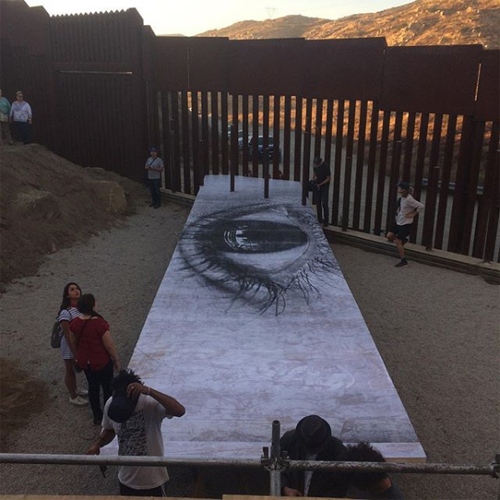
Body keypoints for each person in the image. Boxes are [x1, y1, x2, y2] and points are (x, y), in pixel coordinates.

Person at [86, 369, 185, 497]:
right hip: (125, 479)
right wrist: (98, 444)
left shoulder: (149, 404)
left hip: (152, 480)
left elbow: (180, 410)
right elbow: (109, 429)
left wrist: (149, 391)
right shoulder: (111, 404)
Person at [70, 294, 121, 424]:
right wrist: (116, 359)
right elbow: (109, 345)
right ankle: (109, 415)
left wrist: (78, 356)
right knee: (107, 388)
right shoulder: (100, 323)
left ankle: (97, 416)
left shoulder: (75, 323)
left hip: (86, 363)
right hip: (101, 361)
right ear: (92, 305)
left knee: (93, 388)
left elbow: (73, 342)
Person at [280, 415, 349, 497]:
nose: (312, 452)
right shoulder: (288, 441)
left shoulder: (338, 451)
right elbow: (275, 469)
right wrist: (284, 488)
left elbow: (340, 486)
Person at [57, 282, 88, 406]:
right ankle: (73, 395)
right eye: (72, 290)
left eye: (77, 289)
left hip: (78, 343)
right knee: (69, 369)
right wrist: (74, 351)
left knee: (74, 368)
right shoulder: (66, 312)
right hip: (69, 345)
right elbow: (67, 334)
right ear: (68, 295)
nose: (76, 291)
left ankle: (75, 389)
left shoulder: (79, 309)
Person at [386, 182, 424, 268]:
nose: (398, 189)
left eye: (399, 187)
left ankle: (404, 261)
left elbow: (421, 206)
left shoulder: (409, 199)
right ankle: (403, 240)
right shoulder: (403, 197)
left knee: (398, 242)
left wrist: (413, 214)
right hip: (398, 221)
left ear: (403, 190)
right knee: (389, 236)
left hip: (405, 223)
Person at [312, 157, 331, 228]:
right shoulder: (315, 166)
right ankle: (319, 220)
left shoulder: (326, 166)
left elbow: (328, 178)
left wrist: (320, 184)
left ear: (320, 163)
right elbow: (314, 173)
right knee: (318, 203)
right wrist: (314, 179)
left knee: (324, 204)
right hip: (318, 184)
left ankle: (326, 221)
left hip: (325, 186)